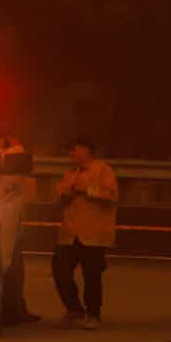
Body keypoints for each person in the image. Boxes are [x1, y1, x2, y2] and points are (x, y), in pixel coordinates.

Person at [51, 135, 118, 329]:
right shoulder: (70, 173)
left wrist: (86, 190)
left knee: (92, 275)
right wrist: (64, 195)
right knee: (60, 270)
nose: (71, 153)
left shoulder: (102, 170)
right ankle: (74, 308)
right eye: (70, 150)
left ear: (87, 150)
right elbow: (57, 197)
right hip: (69, 234)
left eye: (75, 149)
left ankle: (93, 314)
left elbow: (111, 195)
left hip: (93, 234)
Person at [0, 135, 43, 325]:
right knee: (11, 271)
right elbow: (19, 164)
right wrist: (12, 146)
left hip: (7, 224)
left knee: (13, 270)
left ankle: (15, 308)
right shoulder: (10, 157)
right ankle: (12, 310)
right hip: (7, 225)